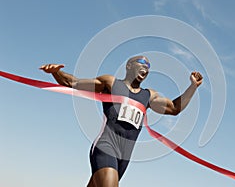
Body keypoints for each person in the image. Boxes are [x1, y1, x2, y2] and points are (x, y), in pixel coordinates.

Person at [39, 55, 203, 187]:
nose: (145, 69)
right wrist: (56, 72)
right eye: (142, 64)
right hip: (106, 146)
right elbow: (74, 82)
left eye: (148, 68)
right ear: (129, 66)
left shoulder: (148, 96)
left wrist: (193, 87)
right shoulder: (111, 83)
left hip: (124, 158)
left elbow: (174, 108)